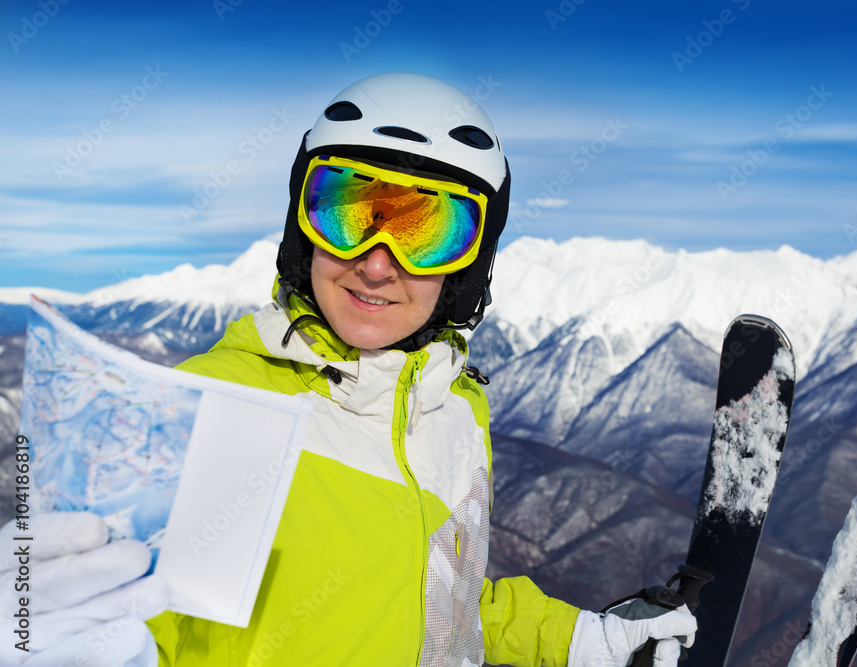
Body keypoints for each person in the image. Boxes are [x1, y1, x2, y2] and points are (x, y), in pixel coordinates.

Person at [0, 73, 697, 667]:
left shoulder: (454, 409)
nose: (377, 260)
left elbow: (444, 601)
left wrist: (581, 640)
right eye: (348, 212)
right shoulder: (214, 404)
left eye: (429, 230)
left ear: (468, 268)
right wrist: (37, 639)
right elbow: (135, 619)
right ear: (302, 231)